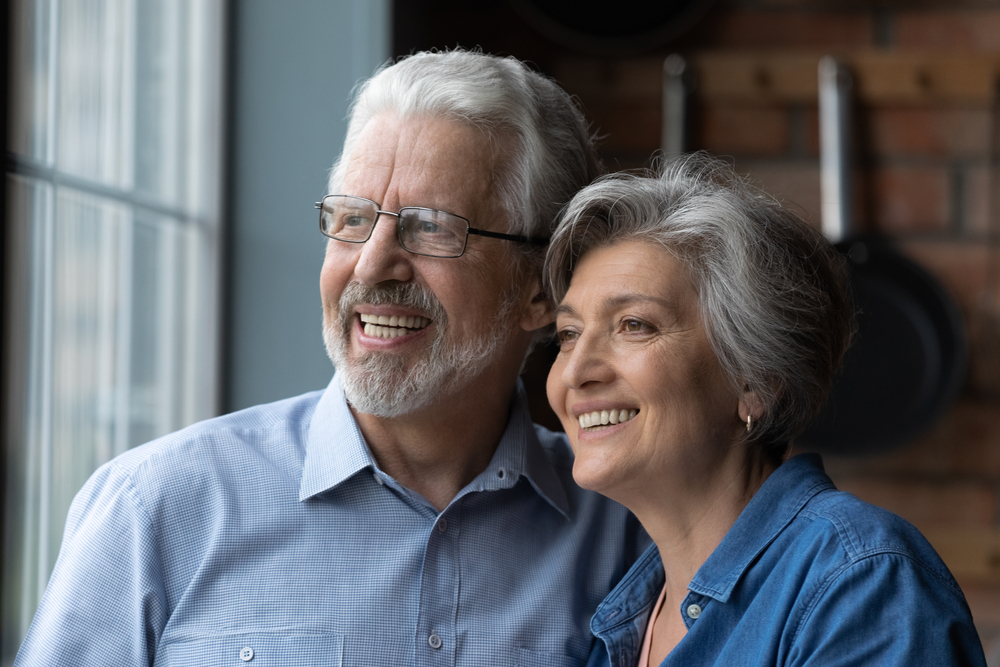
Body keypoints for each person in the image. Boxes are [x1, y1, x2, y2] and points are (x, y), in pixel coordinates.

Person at [14, 50, 646, 666]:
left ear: (540, 286)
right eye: (351, 219)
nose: (371, 265)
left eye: (430, 227)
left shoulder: (626, 526)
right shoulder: (152, 507)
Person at [543, 154, 986, 667]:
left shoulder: (859, 581)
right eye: (568, 334)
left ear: (755, 381)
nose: (576, 371)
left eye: (634, 325)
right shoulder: (620, 623)